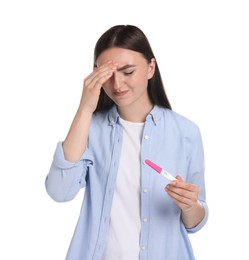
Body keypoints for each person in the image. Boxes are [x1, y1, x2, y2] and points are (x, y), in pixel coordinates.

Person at [45, 24, 208, 260]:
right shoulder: (89, 129)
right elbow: (59, 192)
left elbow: (195, 222)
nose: (117, 85)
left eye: (128, 71)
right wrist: (85, 108)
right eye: (107, 75)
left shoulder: (186, 132)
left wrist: (190, 205)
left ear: (151, 68)